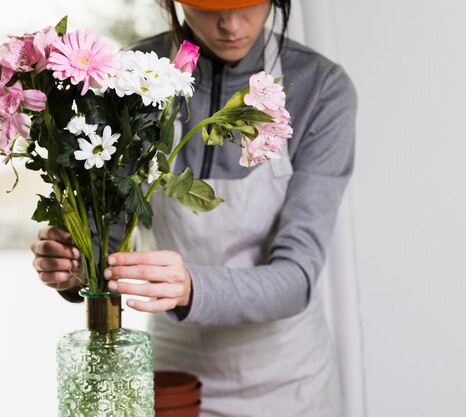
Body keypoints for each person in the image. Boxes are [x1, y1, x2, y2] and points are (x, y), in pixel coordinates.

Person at [31, 0, 356, 415]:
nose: (232, 24)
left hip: (289, 384)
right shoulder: (132, 79)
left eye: (251, 4)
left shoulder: (321, 87)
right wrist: (73, 267)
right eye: (208, 7)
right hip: (173, 376)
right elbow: (110, 242)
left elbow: (297, 277)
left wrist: (192, 288)